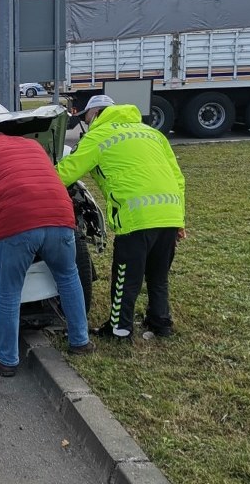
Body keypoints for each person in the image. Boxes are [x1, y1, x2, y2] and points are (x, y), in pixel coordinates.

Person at [0, 130, 96, 378]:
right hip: (61, 218)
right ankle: (80, 342)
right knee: (68, 277)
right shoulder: (32, 145)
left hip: (15, 224)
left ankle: (7, 360)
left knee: (9, 292)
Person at [56, 95, 186, 342]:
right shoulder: (152, 133)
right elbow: (178, 177)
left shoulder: (99, 136)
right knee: (158, 275)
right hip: (170, 214)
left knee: (125, 278)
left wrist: (37, 176)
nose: (86, 122)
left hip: (136, 218)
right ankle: (161, 323)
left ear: (94, 114)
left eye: (86, 117)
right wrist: (179, 220)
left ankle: (120, 330)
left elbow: (66, 173)